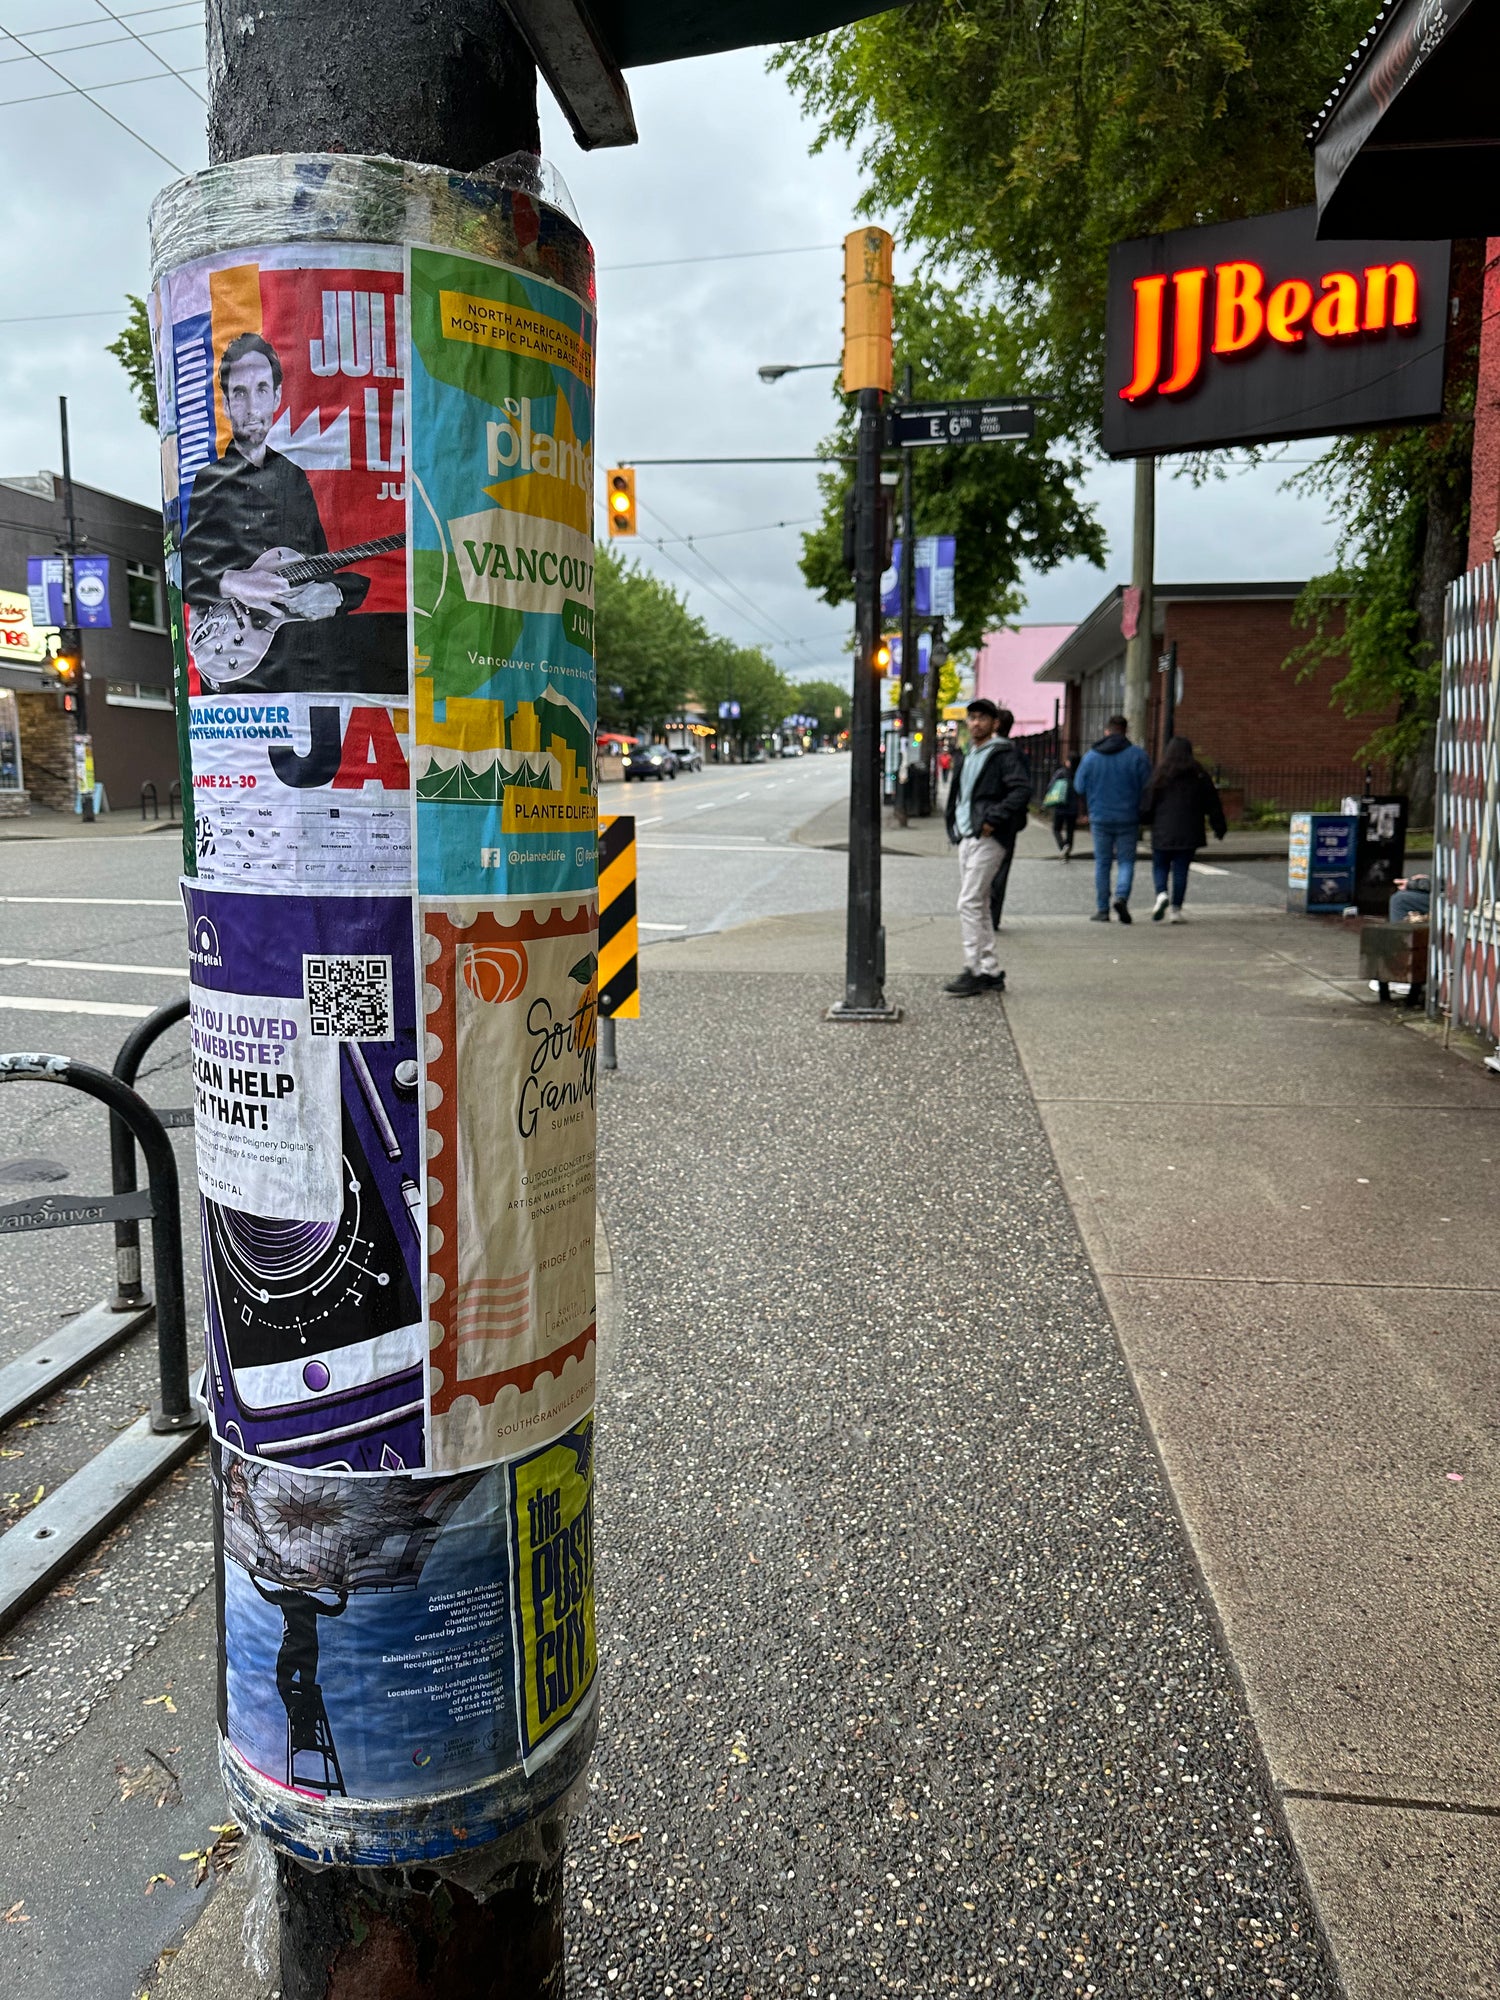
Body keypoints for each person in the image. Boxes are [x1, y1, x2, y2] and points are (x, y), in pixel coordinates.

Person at [182, 332, 402, 693]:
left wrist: (334, 592)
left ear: (277, 397)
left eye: (262, 389)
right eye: (239, 392)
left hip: (302, 653)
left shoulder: (294, 479)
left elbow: (320, 564)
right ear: (225, 404)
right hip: (234, 660)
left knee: (396, 633)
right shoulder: (211, 481)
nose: (252, 406)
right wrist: (234, 582)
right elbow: (184, 570)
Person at [943, 697, 1031, 995]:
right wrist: (958, 826)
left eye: (982, 718)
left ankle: (974, 968)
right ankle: (989, 968)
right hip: (970, 835)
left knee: (968, 902)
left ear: (995, 723)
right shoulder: (972, 753)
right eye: (972, 718)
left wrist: (992, 819)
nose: (976, 723)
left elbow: (1021, 790)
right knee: (979, 903)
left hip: (988, 836)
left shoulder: (1003, 754)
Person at [1074, 713, 1152, 923]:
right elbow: (1148, 786)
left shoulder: (1091, 756)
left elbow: (1079, 786)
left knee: (1103, 863)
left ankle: (1102, 909)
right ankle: (1122, 896)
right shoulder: (1138, 755)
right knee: (1126, 861)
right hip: (1128, 816)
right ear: (1125, 731)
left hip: (1100, 817)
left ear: (1107, 731)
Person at [1143, 735, 1227, 922]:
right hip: (1190, 829)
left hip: (1162, 829)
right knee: (1181, 870)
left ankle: (1161, 893)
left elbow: (1148, 802)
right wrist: (1219, 826)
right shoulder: (1199, 774)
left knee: (1160, 866)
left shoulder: (1160, 773)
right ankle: (1176, 910)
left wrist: (1144, 821)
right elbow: (1212, 803)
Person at [985, 706, 1032, 930]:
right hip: (1008, 821)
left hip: (992, 818)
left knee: (985, 869)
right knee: (1001, 868)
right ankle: (993, 915)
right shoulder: (1017, 753)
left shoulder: (992, 752)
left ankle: (987, 914)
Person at [1043, 753, 1080, 859]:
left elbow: (1050, 786)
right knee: (1070, 830)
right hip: (1073, 808)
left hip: (1061, 806)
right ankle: (1068, 848)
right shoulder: (1078, 774)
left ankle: (1062, 846)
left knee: (1056, 829)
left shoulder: (1061, 773)